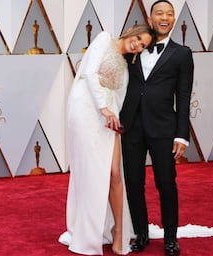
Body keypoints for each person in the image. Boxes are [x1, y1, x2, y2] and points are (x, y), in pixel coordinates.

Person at [59, 24, 154, 255]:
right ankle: (87, 232)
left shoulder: (126, 65)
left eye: (143, 46)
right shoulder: (104, 39)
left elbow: (119, 98)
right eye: (139, 39)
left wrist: (113, 117)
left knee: (114, 172)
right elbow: (90, 72)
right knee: (91, 171)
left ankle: (118, 231)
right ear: (132, 30)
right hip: (85, 108)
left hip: (109, 117)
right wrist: (104, 109)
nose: (138, 46)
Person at [119, 1, 194, 255]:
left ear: (173, 20)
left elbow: (183, 96)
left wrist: (182, 135)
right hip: (131, 127)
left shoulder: (182, 54)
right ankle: (140, 234)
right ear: (150, 18)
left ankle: (171, 238)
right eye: (159, 13)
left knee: (166, 183)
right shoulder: (134, 47)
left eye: (169, 14)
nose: (165, 17)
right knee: (133, 182)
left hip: (164, 128)